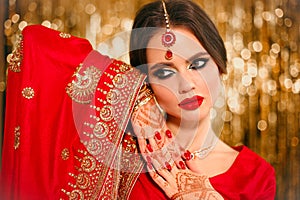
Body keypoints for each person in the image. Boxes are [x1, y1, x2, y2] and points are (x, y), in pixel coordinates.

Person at [0, 0, 276, 200]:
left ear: (220, 63)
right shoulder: (122, 144)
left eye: (197, 63)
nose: (186, 84)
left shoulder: (255, 176)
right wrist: (133, 93)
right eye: (165, 72)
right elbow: (34, 41)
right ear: (147, 80)